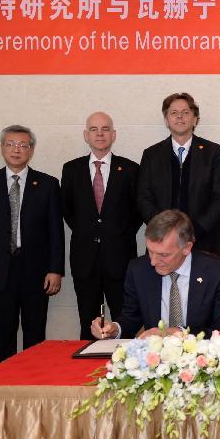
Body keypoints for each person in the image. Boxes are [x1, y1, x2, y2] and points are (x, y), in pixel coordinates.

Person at [0, 125, 65, 364]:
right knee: (3, 336)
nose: (17, 150)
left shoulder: (47, 184)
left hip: (36, 271)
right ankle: (3, 392)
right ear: (2, 147)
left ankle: (33, 391)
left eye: (23, 145)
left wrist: (55, 269)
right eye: (11, 144)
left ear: (31, 150)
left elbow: (56, 231)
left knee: (35, 336)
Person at [91, 210, 220, 339]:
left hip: (201, 359)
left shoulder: (218, 273)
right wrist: (114, 329)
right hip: (154, 361)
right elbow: (131, 318)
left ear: (186, 248)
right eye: (150, 252)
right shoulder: (139, 269)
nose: (153, 262)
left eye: (163, 255)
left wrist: (176, 333)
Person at [61, 112, 141, 340]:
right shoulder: (71, 169)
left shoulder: (129, 169)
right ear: (86, 135)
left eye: (105, 129)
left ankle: (125, 371)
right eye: (94, 129)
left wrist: (115, 234)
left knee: (123, 322)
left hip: (121, 258)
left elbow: (137, 213)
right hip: (85, 258)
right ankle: (86, 374)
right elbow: (68, 210)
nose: (100, 133)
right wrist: (91, 232)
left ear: (113, 134)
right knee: (88, 322)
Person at [136, 92, 220, 257]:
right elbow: (144, 198)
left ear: (195, 119)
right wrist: (164, 230)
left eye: (186, 112)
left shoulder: (212, 152)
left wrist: (194, 231)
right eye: (174, 113)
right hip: (162, 241)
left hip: (204, 239)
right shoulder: (151, 155)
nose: (180, 117)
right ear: (166, 120)